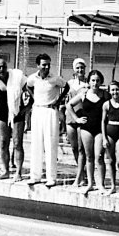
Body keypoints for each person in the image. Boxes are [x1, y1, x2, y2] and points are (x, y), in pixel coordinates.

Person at [26, 53, 70, 187]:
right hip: (37, 110)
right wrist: (33, 97)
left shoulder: (55, 78)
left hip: (50, 111)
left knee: (50, 144)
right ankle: (35, 176)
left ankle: (51, 177)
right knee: (36, 144)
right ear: (38, 65)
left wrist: (59, 101)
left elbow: (66, 87)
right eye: (44, 64)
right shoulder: (33, 78)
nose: (46, 67)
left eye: (48, 64)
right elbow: (27, 86)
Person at [0, 59, 32, 182]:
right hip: (2, 114)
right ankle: (6, 171)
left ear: (7, 67)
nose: (1, 70)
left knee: (17, 143)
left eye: (3, 67)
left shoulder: (16, 79)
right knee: (3, 143)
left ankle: (18, 172)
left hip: (17, 113)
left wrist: (27, 108)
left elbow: (31, 92)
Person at [68, 70, 110, 195]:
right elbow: (69, 105)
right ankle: (91, 184)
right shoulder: (83, 93)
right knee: (89, 157)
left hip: (100, 129)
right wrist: (76, 119)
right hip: (86, 128)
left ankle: (101, 184)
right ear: (89, 81)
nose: (95, 83)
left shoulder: (105, 95)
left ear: (101, 81)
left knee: (99, 157)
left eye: (97, 80)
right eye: (93, 80)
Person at [101, 80, 119, 195]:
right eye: (112, 90)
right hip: (109, 132)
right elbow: (103, 121)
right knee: (111, 161)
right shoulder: (106, 104)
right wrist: (104, 138)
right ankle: (112, 186)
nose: (115, 92)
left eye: (117, 89)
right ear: (109, 91)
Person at [65, 58, 87, 187]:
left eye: (82, 67)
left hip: (83, 118)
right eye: (77, 68)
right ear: (74, 69)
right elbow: (65, 101)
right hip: (70, 118)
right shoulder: (69, 83)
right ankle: (82, 173)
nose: (80, 70)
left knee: (81, 148)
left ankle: (82, 176)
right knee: (74, 148)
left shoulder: (89, 84)